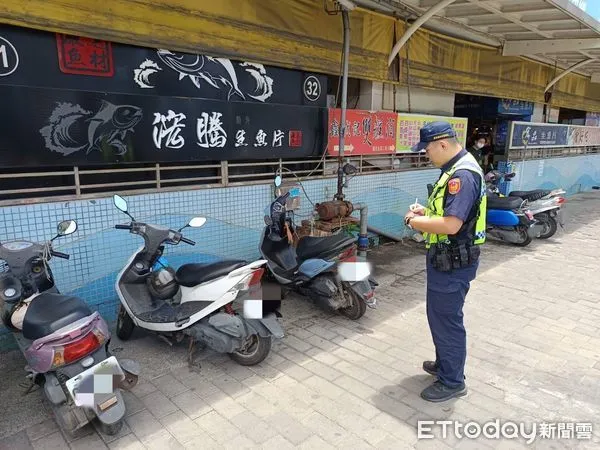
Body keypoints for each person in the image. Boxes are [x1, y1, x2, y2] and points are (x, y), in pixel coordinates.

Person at [403, 121, 487, 402]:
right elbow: (454, 214)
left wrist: (416, 222)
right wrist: (426, 212)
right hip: (447, 260)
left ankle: (452, 382)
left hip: (453, 263)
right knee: (439, 317)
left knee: (447, 320)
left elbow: (451, 225)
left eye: (427, 149)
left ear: (442, 144)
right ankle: (445, 365)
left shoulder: (461, 176)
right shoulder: (454, 169)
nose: (426, 154)